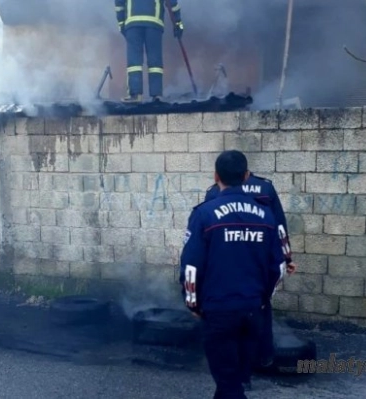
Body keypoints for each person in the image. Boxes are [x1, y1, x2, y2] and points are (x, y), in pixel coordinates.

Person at [179, 150, 287, 399]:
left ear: (216, 176)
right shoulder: (266, 214)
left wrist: (193, 304)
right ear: (246, 176)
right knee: (234, 379)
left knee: (229, 383)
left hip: (219, 312)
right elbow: (278, 267)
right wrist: (261, 299)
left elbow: (191, 267)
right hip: (253, 310)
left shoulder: (204, 213)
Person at [204, 169, 297, 377]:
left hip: (224, 262)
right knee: (260, 306)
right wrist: (286, 258)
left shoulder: (213, 192)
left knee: (226, 310)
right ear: (246, 173)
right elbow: (279, 228)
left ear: (218, 175)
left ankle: (231, 363)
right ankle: (263, 357)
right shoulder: (265, 188)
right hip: (257, 261)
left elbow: (204, 232)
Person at [114, 0, 184, 103]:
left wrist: (121, 23)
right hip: (154, 22)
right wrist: (178, 23)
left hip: (132, 22)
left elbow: (119, 3)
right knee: (155, 61)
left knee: (134, 61)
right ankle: (157, 95)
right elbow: (172, 2)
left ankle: (135, 94)